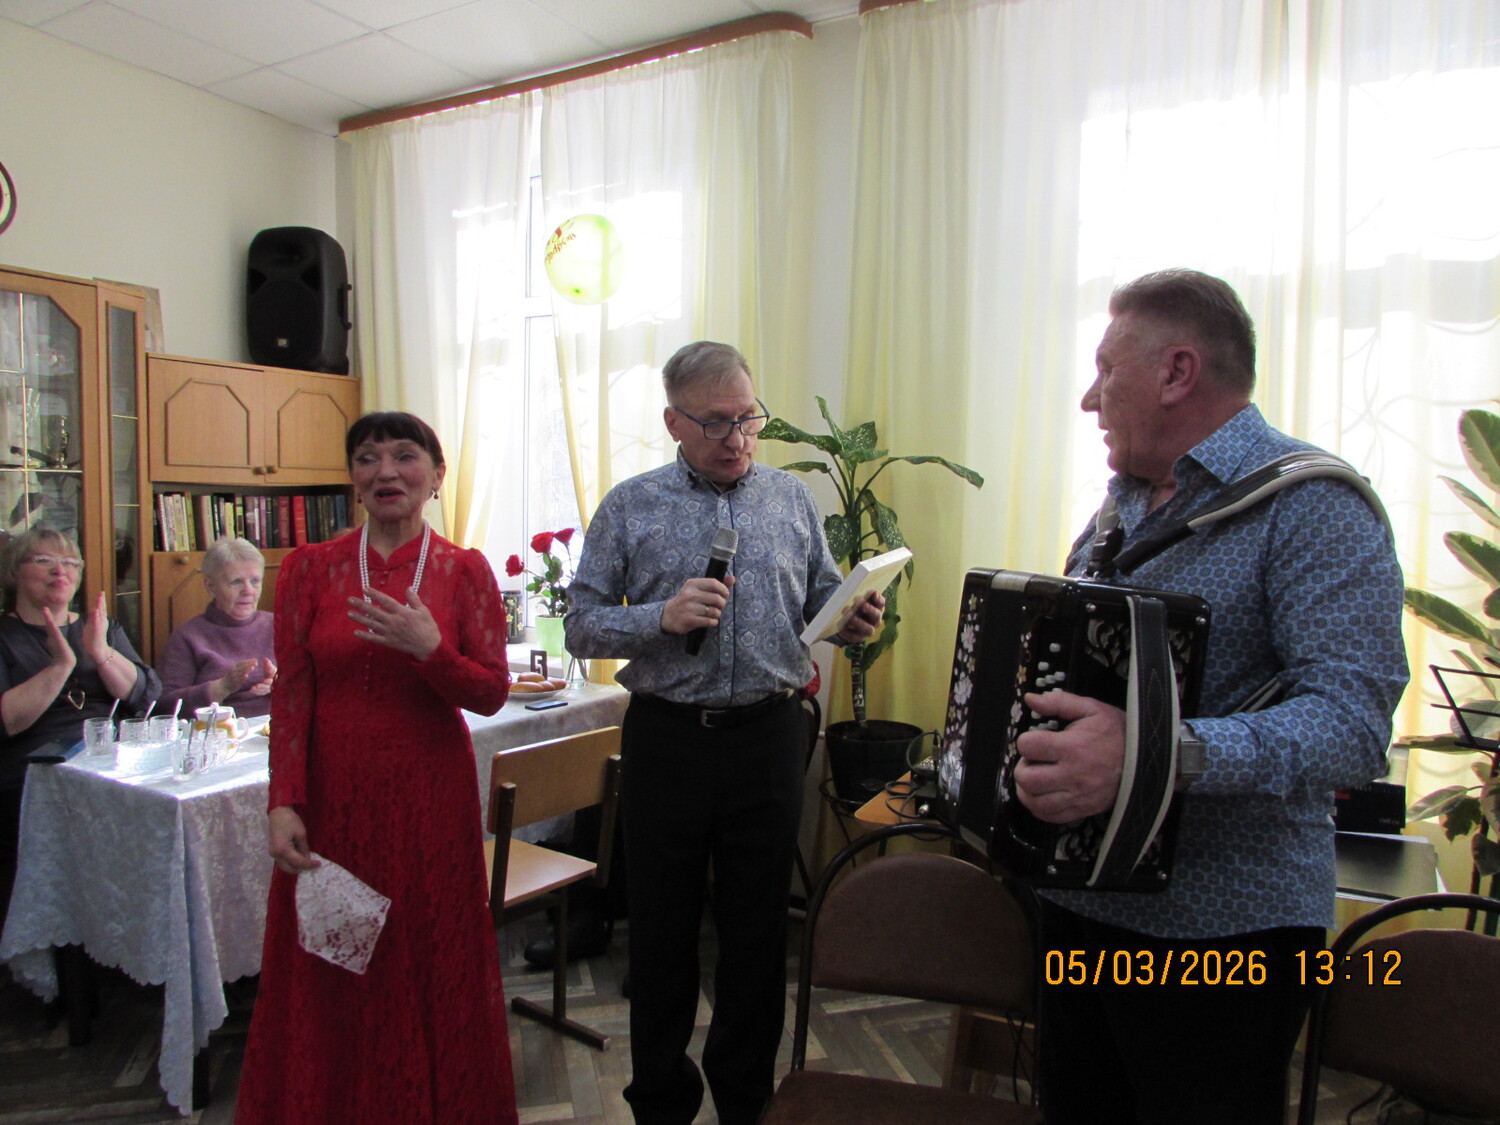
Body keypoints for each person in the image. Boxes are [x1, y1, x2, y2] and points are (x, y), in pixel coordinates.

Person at [1012, 270, 1408, 1124]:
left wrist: (1157, 753)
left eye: (1105, 369)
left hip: (1223, 930)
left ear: (1177, 372)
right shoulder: (1117, 510)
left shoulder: (1314, 506)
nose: (1089, 398)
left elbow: (1351, 726)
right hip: (1080, 908)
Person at [565, 341, 884, 1125]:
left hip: (769, 738)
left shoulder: (790, 497)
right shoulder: (630, 505)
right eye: (715, 422)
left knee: (756, 932)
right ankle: (660, 1102)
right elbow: (580, 624)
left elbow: (819, 594)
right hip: (667, 741)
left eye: (748, 418)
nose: (737, 438)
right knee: (662, 933)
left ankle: (747, 1100)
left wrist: (850, 617)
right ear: (673, 421)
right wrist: (660, 616)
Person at [235, 412, 517, 1125]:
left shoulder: (465, 571)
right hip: (331, 805)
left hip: (430, 805)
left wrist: (431, 651)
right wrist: (282, 800)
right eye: (367, 458)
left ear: (437, 475)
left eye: (404, 456)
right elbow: (292, 693)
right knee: (332, 955)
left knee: (424, 955)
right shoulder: (308, 568)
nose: (386, 471)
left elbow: (490, 692)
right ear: (353, 479)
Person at [0, 526, 160, 916]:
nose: (61, 571)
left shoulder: (101, 627)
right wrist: (61, 666)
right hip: (36, 774)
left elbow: (145, 694)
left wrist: (100, 651)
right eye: (44, 560)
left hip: (114, 762)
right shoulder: (5, 635)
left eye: (71, 562)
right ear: (14, 571)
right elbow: (7, 720)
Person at [158, 536, 275, 719]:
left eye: (255, 581)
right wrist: (221, 687)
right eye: (236, 582)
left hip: (276, 726)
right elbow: (165, 707)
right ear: (211, 586)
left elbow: (312, 687)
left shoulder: (279, 626)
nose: (248, 591)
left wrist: (281, 684)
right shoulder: (187, 637)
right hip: (218, 730)